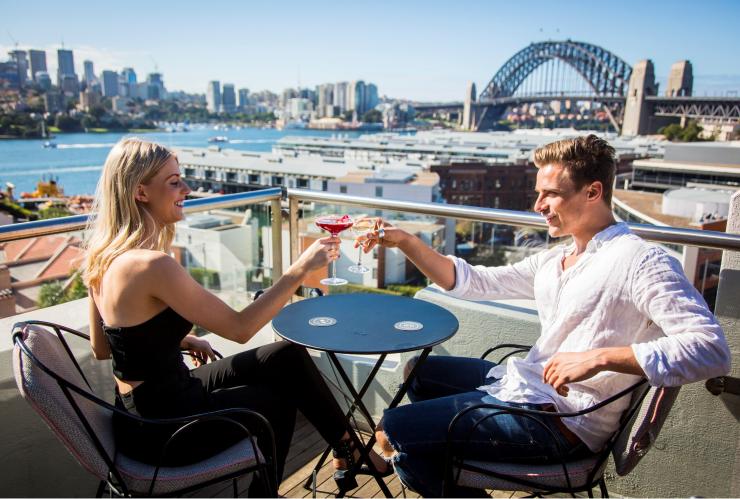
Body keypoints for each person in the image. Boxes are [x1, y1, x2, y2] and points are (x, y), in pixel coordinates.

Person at [356, 134, 731, 497]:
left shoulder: (641, 261)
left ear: (593, 192)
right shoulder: (559, 259)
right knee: (419, 374)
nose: (538, 204)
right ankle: (446, 451)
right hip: (528, 387)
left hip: (565, 422)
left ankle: (432, 455)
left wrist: (599, 358)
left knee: (398, 436)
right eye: (538, 193)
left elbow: (711, 349)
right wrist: (405, 241)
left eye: (550, 194)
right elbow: (472, 282)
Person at [81, 137, 387, 495]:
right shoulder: (152, 265)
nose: (188, 189)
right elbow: (241, 329)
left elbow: (105, 346)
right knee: (277, 399)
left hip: (137, 416)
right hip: (168, 429)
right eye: (174, 181)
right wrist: (301, 269)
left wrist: (176, 339)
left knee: (283, 356)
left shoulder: (102, 257)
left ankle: (348, 449)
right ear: (140, 192)